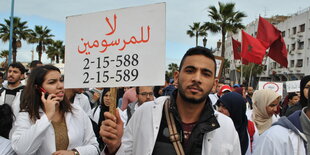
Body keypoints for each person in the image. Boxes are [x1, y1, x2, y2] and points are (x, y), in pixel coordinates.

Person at [99, 47, 241, 154]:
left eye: (205, 73)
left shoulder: (226, 127)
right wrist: (115, 146)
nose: (197, 78)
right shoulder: (145, 113)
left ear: (214, 83)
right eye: (190, 70)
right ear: (177, 76)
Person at [11, 65, 99, 155]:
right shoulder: (27, 115)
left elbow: (95, 147)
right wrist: (47, 117)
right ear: (38, 88)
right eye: (52, 82)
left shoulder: (77, 111)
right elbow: (21, 150)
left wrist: (75, 153)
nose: (60, 86)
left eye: (61, 80)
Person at [253, 85, 310, 155]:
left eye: (276, 105)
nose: (275, 109)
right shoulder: (273, 136)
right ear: (260, 104)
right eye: (271, 105)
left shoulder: (276, 119)